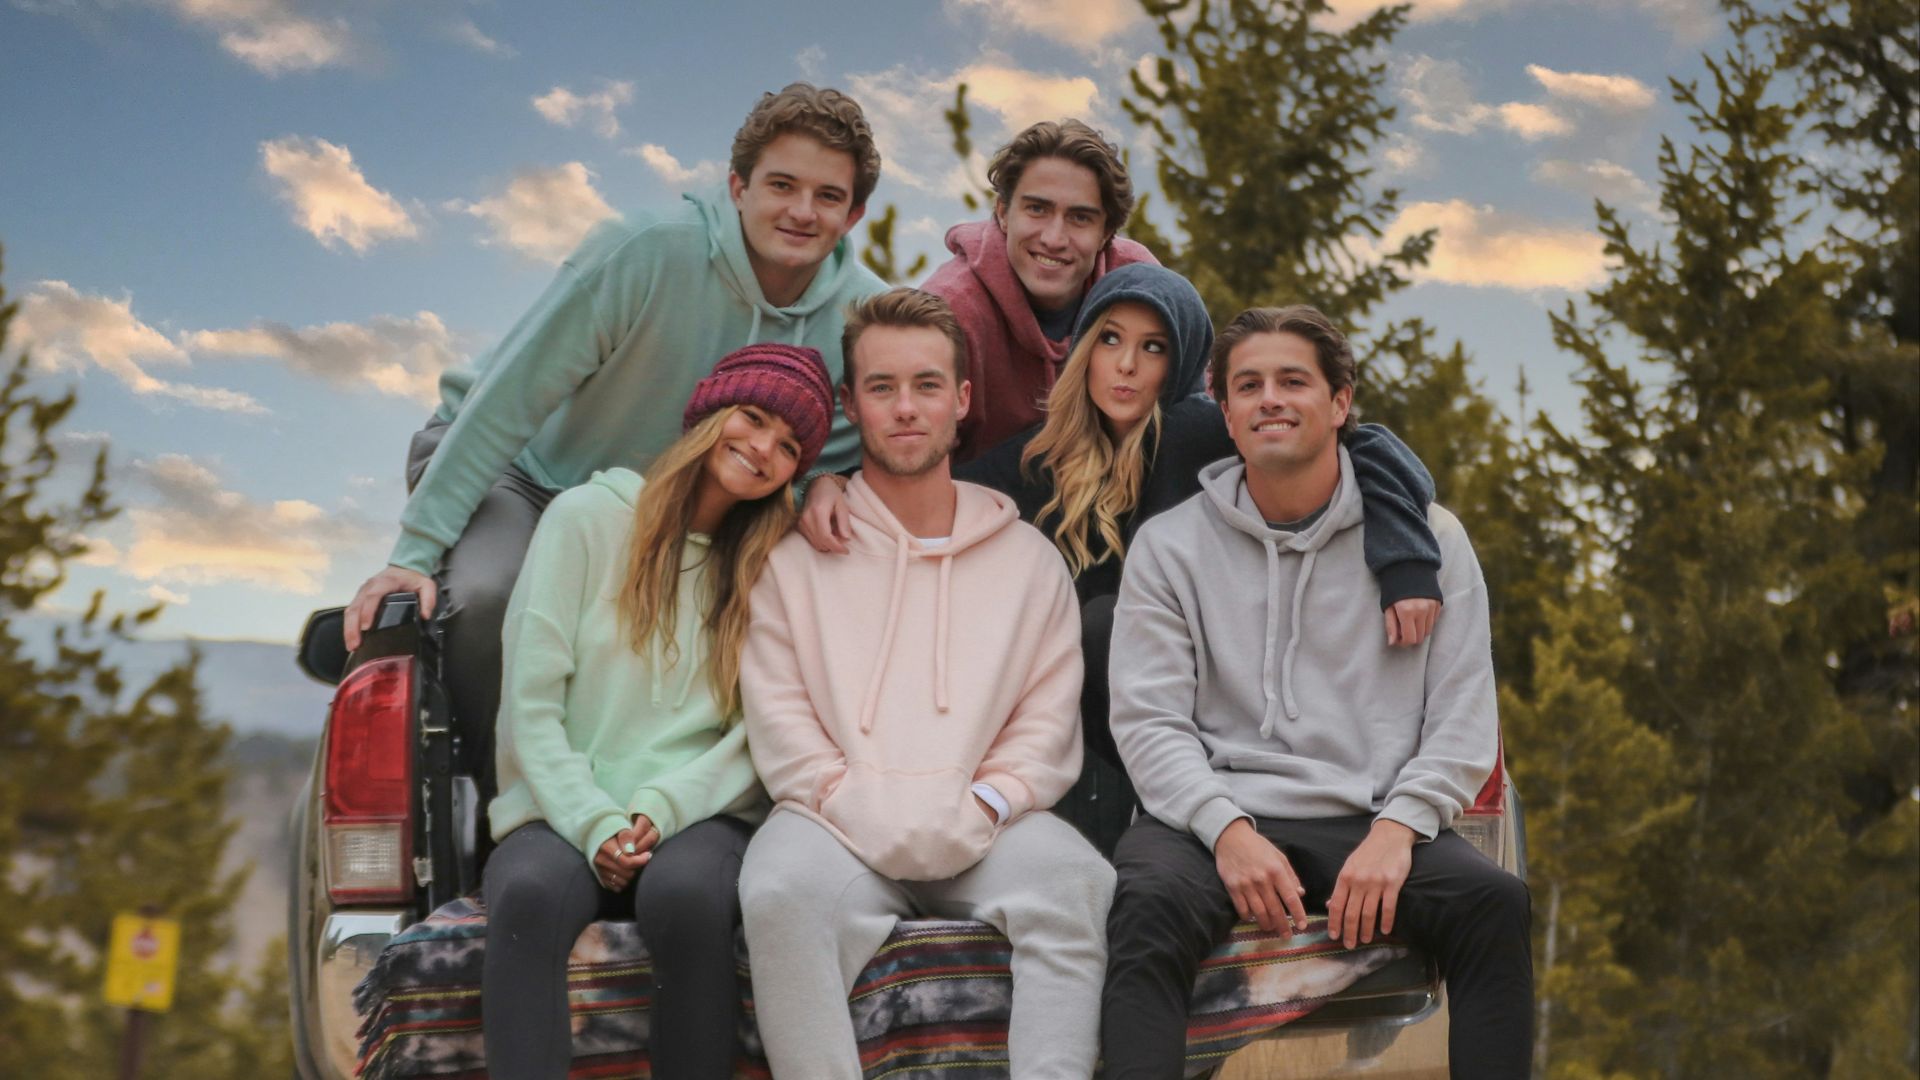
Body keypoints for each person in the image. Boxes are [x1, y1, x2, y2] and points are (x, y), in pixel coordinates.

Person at [341, 83, 886, 803]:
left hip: (665, 507)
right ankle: (495, 811)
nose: (800, 211)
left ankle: (665, 816)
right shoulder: (644, 250)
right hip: (527, 469)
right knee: (489, 595)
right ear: (737, 186)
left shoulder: (859, 316)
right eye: (780, 185)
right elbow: (507, 399)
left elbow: (854, 446)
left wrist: (827, 480)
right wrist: (412, 553)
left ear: (853, 214)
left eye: (826, 196)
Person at [800, 263, 1445, 856]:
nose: (1127, 366)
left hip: (1219, 689)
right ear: (1084, 349)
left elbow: (1373, 450)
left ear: (1183, 362)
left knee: (1106, 623)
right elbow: (929, 480)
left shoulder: (1203, 431)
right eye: (1110, 340)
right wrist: (830, 481)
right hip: (1084, 721)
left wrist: (1407, 562)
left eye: (1153, 348)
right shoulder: (1039, 460)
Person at [1099, 306, 1533, 1079]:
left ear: (1339, 403)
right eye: (1249, 385)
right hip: (1213, 815)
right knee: (1146, 907)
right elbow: (1149, 720)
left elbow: (1464, 720)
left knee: (1492, 904)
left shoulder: (1429, 543)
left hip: (1369, 816)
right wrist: (1225, 830)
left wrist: (1398, 831)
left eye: (1293, 381)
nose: (1270, 398)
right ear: (1224, 413)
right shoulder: (1171, 548)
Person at [737, 289, 1112, 1079]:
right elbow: (780, 716)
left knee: (1078, 881)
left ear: (962, 399)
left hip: (983, 829)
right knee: (776, 892)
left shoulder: (1029, 560)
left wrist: (986, 804)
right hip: (836, 824)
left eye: (927, 385)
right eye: (882, 388)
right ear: (852, 404)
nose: (906, 409)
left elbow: (1045, 730)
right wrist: (854, 804)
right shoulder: (798, 557)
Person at [479, 343, 836, 1079]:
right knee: (527, 896)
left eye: (789, 444)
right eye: (753, 417)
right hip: (560, 803)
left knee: (687, 897)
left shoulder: (771, 562)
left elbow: (759, 730)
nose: (763, 447)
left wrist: (665, 805)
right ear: (709, 414)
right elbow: (530, 706)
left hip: (701, 813)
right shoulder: (584, 520)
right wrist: (594, 820)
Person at [922, 118, 1157, 463]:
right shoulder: (949, 310)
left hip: (1119, 484)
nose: (1053, 239)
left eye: (1079, 218)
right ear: (1003, 213)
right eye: (1037, 209)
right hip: (981, 499)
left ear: (1107, 232)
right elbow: (913, 453)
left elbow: (1197, 399)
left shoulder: (1139, 282)